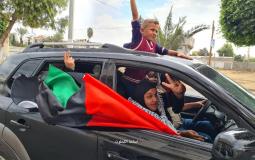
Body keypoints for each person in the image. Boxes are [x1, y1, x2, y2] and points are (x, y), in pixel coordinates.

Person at [121, 0, 192, 98]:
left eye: (156, 31)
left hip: (140, 83)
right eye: (152, 30)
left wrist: (177, 54)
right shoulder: (138, 39)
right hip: (128, 82)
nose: (155, 33)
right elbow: (135, 16)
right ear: (142, 30)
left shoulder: (154, 46)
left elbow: (166, 51)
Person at [129, 75, 205, 142]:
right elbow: (160, 139)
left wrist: (179, 95)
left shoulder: (160, 99)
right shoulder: (141, 118)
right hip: (173, 133)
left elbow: (177, 109)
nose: (155, 99)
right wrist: (183, 134)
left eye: (155, 95)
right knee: (206, 138)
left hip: (176, 126)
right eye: (149, 96)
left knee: (207, 125)